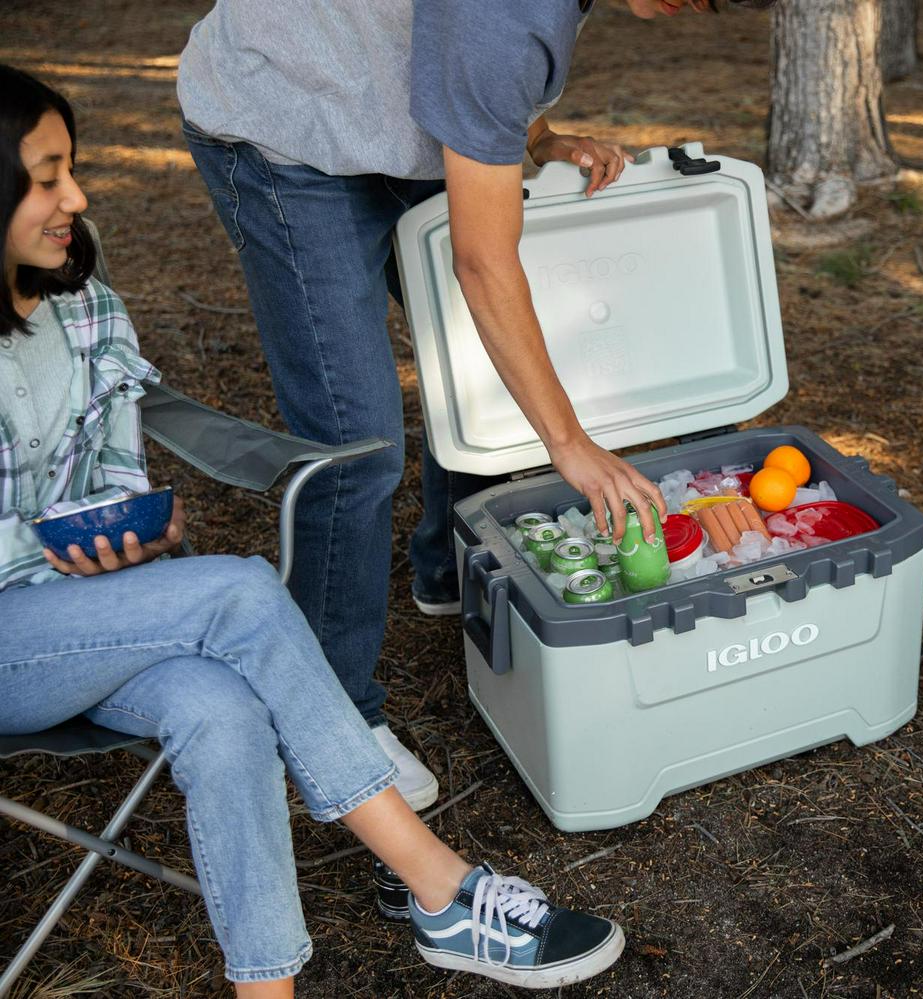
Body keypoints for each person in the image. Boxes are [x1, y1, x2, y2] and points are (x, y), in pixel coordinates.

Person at [0, 64, 623, 996]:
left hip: (88, 619)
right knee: (239, 591)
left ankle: (268, 989)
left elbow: (109, 466)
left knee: (220, 707)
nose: (76, 197)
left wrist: (118, 536)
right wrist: (48, 551)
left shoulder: (80, 301)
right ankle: (442, 889)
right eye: (46, 178)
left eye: (71, 169)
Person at [173, 0, 778, 809]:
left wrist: (532, 138)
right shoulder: (507, 11)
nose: (684, 9)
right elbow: (486, 265)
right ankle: (327, 721)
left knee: (489, 372)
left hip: (389, 121)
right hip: (286, 128)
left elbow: (453, 57)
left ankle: (447, 566)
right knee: (356, 447)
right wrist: (569, 442)